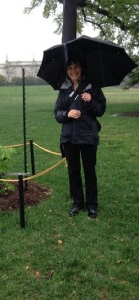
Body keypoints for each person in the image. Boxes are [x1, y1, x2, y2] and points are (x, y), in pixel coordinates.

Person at [54, 57, 106, 218]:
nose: (72, 71)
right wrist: (67, 114)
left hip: (88, 136)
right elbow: (57, 113)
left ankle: (92, 205)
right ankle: (77, 203)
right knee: (73, 171)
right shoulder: (64, 90)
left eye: (75, 67)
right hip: (69, 138)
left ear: (81, 68)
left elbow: (101, 110)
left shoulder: (93, 87)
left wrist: (91, 101)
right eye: (69, 68)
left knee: (90, 171)